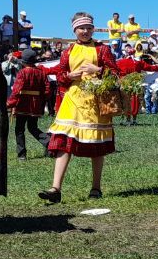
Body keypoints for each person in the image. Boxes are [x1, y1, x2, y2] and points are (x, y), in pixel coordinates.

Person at [40, 12, 119, 203]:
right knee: (63, 141)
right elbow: (59, 77)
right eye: (81, 28)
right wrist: (70, 75)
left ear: (93, 29)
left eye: (89, 28)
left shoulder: (103, 50)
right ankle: (55, 188)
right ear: (74, 29)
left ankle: (96, 188)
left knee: (97, 145)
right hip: (73, 100)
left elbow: (115, 74)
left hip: (96, 101)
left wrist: (98, 70)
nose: (85, 31)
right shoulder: (68, 51)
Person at [7, 48, 50, 160]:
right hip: (35, 105)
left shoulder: (22, 73)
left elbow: (16, 90)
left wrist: (9, 103)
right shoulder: (41, 73)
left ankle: (22, 155)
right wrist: (40, 101)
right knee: (33, 127)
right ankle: (49, 143)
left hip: (22, 104)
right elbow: (47, 90)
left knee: (19, 129)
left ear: (24, 61)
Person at [115, 43, 158, 126]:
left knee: (126, 101)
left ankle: (127, 120)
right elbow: (151, 68)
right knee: (135, 101)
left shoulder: (120, 62)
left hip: (124, 84)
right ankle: (134, 120)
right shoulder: (138, 63)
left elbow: (113, 69)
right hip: (135, 84)